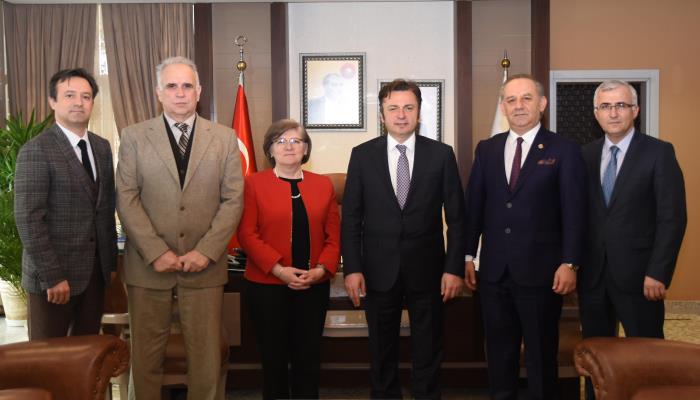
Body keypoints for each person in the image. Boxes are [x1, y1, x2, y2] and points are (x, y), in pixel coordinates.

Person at [116, 56, 244, 400]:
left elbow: (233, 200)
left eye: (187, 86)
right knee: (146, 358)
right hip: (148, 267)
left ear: (199, 92)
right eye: (171, 86)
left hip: (205, 267)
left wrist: (206, 251)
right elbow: (126, 198)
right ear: (159, 92)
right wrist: (156, 252)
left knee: (205, 358)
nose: (180, 93)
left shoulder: (224, 138)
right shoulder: (134, 137)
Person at [464, 74, 586, 400]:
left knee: (540, 357)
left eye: (526, 98)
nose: (518, 106)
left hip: (542, 273)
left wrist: (570, 263)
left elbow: (575, 211)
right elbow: (474, 207)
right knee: (499, 355)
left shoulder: (564, 150)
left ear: (542, 104)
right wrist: (468, 255)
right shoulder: (487, 149)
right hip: (494, 274)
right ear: (503, 107)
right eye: (511, 100)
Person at [342, 78, 466, 399]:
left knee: (428, 347)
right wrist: (352, 268)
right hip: (378, 270)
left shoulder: (441, 155)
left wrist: (453, 268)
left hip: (428, 270)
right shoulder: (362, 156)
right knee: (381, 349)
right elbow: (351, 218)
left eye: (408, 107)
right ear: (382, 114)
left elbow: (457, 218)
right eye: (393, 108)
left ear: (419, 112)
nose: (401, 115)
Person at [579, 80, 686, 397]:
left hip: (641, 277)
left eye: (621, 105)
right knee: (596, 356)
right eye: (606, 106)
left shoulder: (659, 152)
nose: (613, 113)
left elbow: (672, 218)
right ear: (596, 113)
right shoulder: (584, 155)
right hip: (593, 276)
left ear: (635, 110)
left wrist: (658, 271)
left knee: (648, 356)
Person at [237, 119, 340, 399]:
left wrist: (321, 269)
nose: (288, 146)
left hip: (313, 286)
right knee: (274, 362)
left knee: (309, 359)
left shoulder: (323, 185)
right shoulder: (253, 184)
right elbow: (247, 234)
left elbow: (334, 235)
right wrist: (279, 270)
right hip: (267, 286)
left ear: (306, 149)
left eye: (296, 141)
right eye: (280, 141)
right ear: (270, 149)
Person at [15, 68, 117, 340]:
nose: (78, 102)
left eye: (86, 96)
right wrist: (53, 276)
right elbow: (29, 219)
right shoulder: (36, 150)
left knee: (87, 355)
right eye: (70, 95)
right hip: (53, 280)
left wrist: (110, 267)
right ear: (53, 101)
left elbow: (105, 210)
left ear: (93, 103)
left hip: (95, 277)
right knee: (48, 357)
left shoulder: (102, 148)